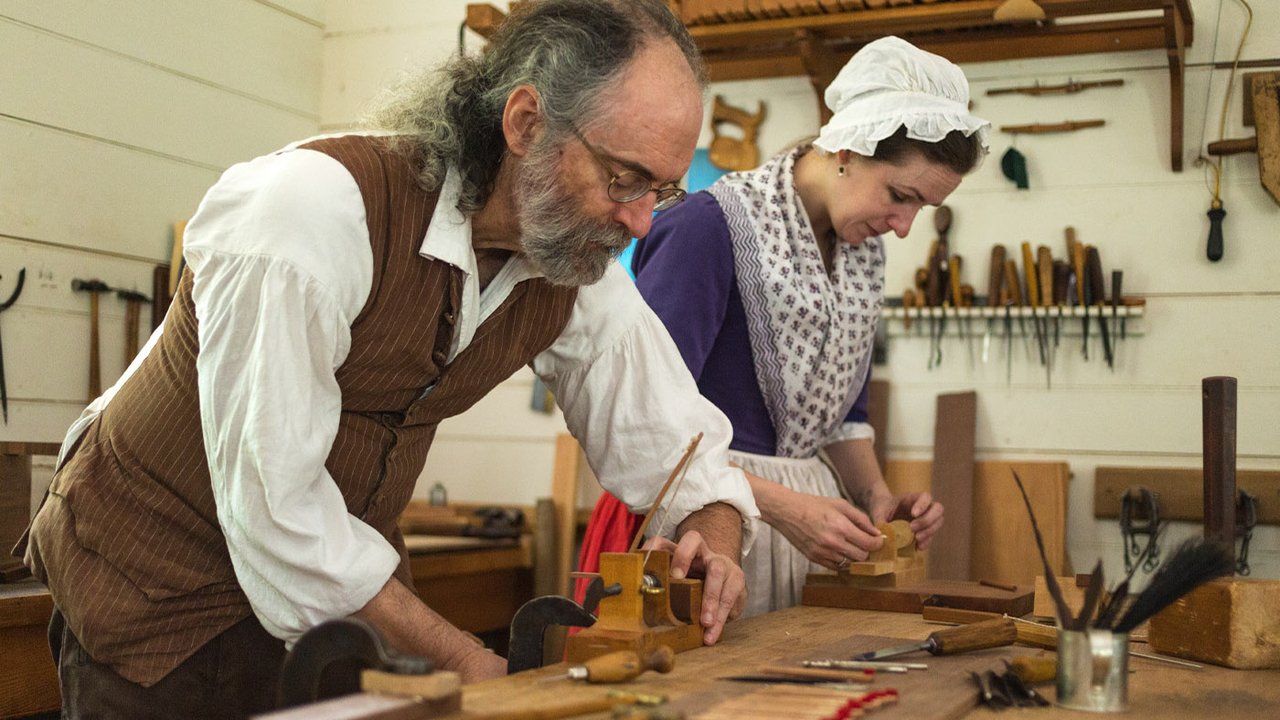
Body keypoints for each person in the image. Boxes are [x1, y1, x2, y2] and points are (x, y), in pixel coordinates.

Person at [15, 2, 760, 716]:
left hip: (337, 591)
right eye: (623, 178)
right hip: (157, 593)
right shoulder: (308, 213)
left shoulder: (569, 266)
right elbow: (280, 508)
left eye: (661, 192)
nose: (637, 221)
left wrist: (713, 541)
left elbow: (682, 448)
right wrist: (471, 663)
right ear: (526, 122)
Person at [580, 36, 989, 618]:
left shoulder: (861, 256)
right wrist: (790, 508)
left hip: (809, 530)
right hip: (698, 527)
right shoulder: (708, 229)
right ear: (847, 147)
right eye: (900, 196)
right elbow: (648, 423)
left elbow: (844, 414)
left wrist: (876, 499)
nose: (903, 227)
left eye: (920, 208)